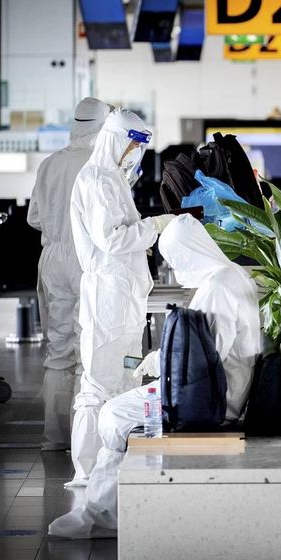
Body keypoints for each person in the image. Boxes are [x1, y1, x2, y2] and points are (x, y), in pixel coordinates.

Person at [48, 215, 262, 539]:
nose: (176, 269)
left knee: (112, 414)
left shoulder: (218, 287)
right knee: (118, 412)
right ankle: (102, 510)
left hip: (211, 400)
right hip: (220, 390)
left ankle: (102, 517)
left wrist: (160, 362)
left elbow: (203, 358)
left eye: (175, 261)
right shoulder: (231, 276)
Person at [67, 109, 176, 488]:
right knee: (97, 385)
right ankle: (85, 473)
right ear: (115, 139)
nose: (135, 152)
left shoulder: (114, 178)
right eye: (133, 144)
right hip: (107, 298)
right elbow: (112, 239)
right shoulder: (97, 179)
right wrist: (154, 227)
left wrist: (141, 240)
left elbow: (121, 236)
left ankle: (109, 468)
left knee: (126, 378)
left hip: (123, 297)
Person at [27, 97, 113, 451]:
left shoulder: (50, 163)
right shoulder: (101, 165)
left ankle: (54, 437)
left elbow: (33, 218)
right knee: (87, 348)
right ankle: (84, 437)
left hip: (53, 258)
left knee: (58, 350)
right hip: (87, 259)